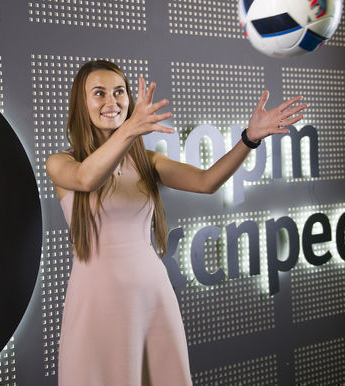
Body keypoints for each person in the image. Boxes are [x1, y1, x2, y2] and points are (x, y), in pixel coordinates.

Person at [46, 60, 306, 386]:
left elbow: (207, 181)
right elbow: (87, 179)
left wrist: (249, 139)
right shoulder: (61, 162)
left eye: (119, 92)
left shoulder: (148, 161)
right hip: (96, 299)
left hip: (152, 294)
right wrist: (130, 129)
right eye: (99, 93)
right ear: (81, 103)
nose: (111, 101)